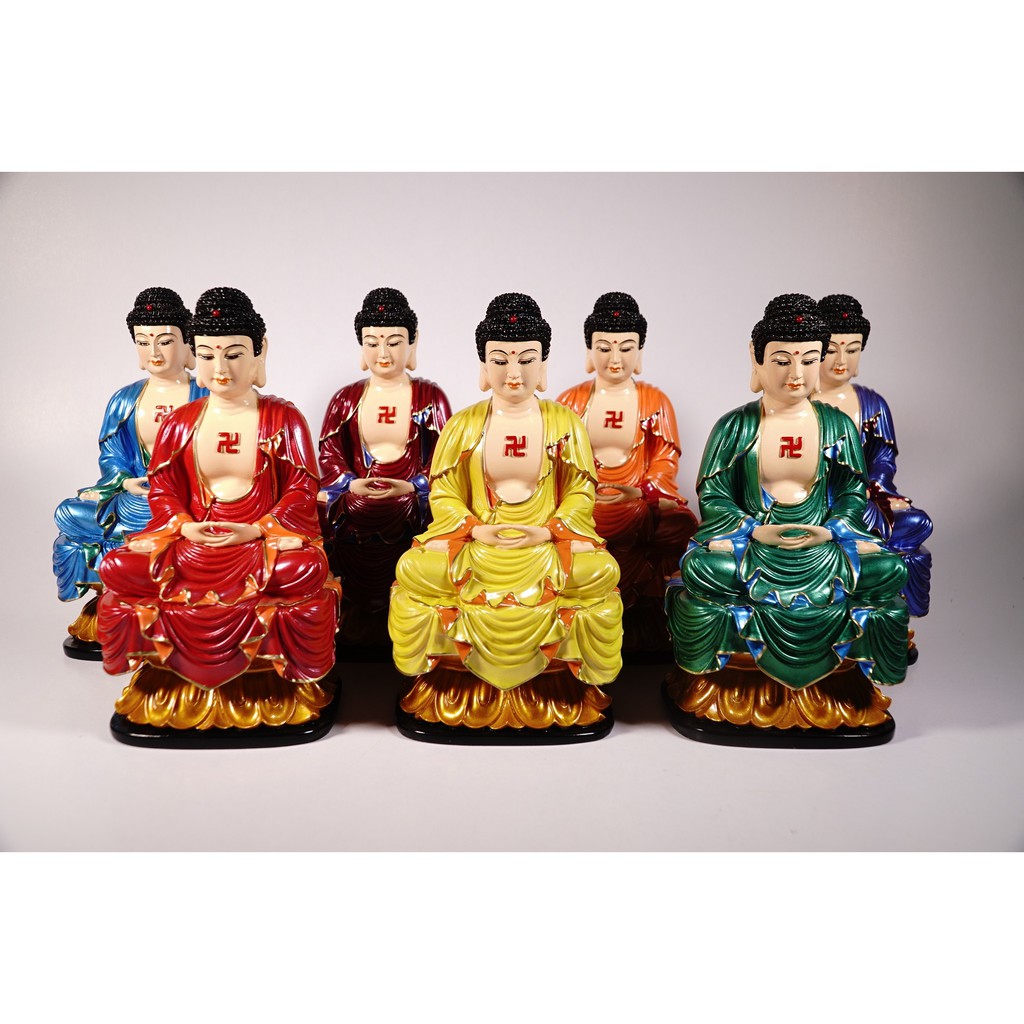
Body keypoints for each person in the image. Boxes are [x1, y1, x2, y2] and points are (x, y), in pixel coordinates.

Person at [664, 294, 909, 743]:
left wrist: (831, 529)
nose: (796, 373)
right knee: (702, 570)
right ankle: (724, 682)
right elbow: (714, 496)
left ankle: (838, 686)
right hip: (753, 547)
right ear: (756, 361)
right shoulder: (736, 426)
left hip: (823, 550)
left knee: (889, 570)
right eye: (781, 360)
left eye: (808, 360)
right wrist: (753, 529)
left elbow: (852, 493)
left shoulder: (836, 426)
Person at [97, 287, 340, 739]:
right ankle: (170, 678)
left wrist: (255, 529)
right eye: (207, 355)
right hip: (192, 543)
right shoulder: (181, 422)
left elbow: (303, 489)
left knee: (304, 570)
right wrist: (185, 526)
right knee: (116, 567)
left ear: (259, 352)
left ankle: (279, 681)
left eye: (234, 354)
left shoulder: (282, 419)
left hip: (259, 544)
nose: (221, 368)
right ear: (194, 354)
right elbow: (163, 490)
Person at [388, 293, 623, 739]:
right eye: (500, 360)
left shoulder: (565, 423)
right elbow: (445, 493)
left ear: (544, 364)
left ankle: (563, 685)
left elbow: (580, 492)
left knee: (601, 573)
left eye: (526, 360)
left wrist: (547, 531)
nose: (513, 373)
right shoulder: (464, 424)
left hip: (546, 548)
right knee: (414, 570)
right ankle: (448, 680)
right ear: (483, 365)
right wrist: (476, 529)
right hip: (477, 548)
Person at [52, 287, 207, 656]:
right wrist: (123, 480)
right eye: (143, 342)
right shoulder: (126, 399)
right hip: (134, 498)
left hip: (186, 502)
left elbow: (218, 459)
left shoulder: (205, 395)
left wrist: (177, 486)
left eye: (165, 341)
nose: (154, 352)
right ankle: (113, 601)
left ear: (187, 343)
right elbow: (112, 455)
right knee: (67, 513)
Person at [557, 292, 696, 649]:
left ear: (640, 351)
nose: (615, 359)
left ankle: (645, 610)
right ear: (589, 351)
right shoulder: (570, 402)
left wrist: (645, 490)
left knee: (681, 525)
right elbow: (557, 460)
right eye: (604, 348)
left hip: (640, 500)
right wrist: (582, 491)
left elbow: (665, 457)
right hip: (584, 499)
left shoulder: (654, 401)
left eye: (626, 348)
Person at [318, 287, 451, 646]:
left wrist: (414, 485)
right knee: (329, 508)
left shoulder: (430, 398)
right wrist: (349, 483)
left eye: (394, 342)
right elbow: (329, 454)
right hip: (355, 495)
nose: (383, 353)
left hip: (413, 496)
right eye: (372, 343)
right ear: (361, 346)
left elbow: (446, 460)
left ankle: (409, 610)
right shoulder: (346, 399)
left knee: (432, 510)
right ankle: (352, 614)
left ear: (412, 342)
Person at [815, 294, 932, 618]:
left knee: (917, 523)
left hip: (864, 500)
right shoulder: (800, 402)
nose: (842, 360)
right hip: (816, 501)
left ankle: (895, 616)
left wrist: (877, 488)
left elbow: (882, 459)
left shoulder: (872, 404)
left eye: (852, 350)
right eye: (831, 350)